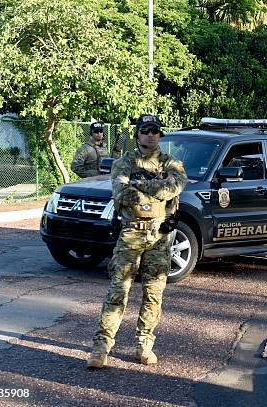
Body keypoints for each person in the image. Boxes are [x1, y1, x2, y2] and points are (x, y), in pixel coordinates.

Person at [86, 114, 187, 369]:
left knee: (153, 294)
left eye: (154, 130)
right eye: (145, 130)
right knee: (118, 292)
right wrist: (152, 191)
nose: (150, 135)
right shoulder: (124, 162)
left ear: (160, 135)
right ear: (137, 134)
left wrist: (140, 183)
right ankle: (101, 348)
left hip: (159, 237)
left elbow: (171, 189)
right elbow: (122, 194)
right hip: (130, 234)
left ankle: (144, 345)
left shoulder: (172, 163)